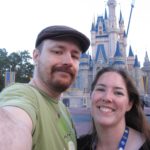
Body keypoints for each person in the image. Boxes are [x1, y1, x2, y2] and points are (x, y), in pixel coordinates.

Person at [0, 25, 90, 150]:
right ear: (36, 56)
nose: (68, 61)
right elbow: (13, 124)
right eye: (58, 52)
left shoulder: (63, 109)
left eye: (75, 56)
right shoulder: (22, 95)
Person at [78, 67, 150, 150]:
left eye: (118, 93)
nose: (107, 97)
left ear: (129, 104)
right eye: (100, 89)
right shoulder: (78, 145)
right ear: (91, 95)